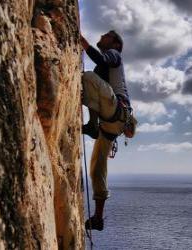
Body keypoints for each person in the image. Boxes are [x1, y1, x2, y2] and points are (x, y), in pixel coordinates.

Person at [81, 31, 131, 231]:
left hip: (116, 109)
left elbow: (101, 58)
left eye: (108, 35)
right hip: (114, 122)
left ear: (116, 44)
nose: (103, 35)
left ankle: (92, 125)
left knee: (88, 77)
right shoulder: (107, 66)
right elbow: (101, 63)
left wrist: (83, 44)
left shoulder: (114, 54)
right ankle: (98, 218)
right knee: (96, 169)